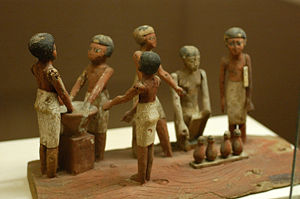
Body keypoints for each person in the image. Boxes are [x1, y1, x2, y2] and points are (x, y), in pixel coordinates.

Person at [124, 25, 184, 157]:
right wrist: (145, 90)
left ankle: (168, 152)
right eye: (151, 38)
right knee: (139, 122)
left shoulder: (152, 55)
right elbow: (143, 77)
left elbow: (163, 73)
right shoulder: (138, 55)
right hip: (142, 90)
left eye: (154, 37)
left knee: (161, 120)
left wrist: (175, 86)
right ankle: (138, 153)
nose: (155, 40)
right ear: (143, 40)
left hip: (151, 90)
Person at [103, 51, 161, 184]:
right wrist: (131, 111)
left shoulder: (140, 86)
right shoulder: (157, 80)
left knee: (142, 147)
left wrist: (110, 103)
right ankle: (147, 174)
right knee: (150, 146)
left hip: (144, 116)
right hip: (153, 112)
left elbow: (124, 98)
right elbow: (145, 101)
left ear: (142, 66)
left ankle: (141, 177)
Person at [28, 33, 74, 178]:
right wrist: (70, 108)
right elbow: (63, 92)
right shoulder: (52, 72)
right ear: (49, 52)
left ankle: (43, 168)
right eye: (54, 47)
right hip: (50, 106)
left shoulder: (35, 67)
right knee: (53, 142)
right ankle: (51, 174)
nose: (56, 50)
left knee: (44, 139)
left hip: (40, 101)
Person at [70, 34, 114, 161]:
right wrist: (69, 97)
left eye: (96, 50)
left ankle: (99, 156)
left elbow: (99, 87)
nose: (91, 53)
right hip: (88, 99)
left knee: (100, 128)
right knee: (88, 127)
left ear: (107, 53)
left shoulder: (108, 70)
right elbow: (79, 82)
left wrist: (88, 103)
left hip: (101, 100)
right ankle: (89, 154)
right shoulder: (88, 68)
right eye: (90, 49)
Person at [171, 46, 211, 151]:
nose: (196, 63)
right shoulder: (176, 76)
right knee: (185, 141)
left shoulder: (201, 73)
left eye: (198, 60)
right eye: (192, 61)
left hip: (196, 111)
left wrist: (207, 110)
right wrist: (180, 122)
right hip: (183, 113)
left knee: (197, 138)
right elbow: (176, 101)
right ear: (184, 59)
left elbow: (205, 96)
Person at [219, 27, 254, 143]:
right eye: (232, 43)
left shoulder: (246, 58)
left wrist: (249, 98)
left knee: (242, 118)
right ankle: (233, 141)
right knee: (232, 117)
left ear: (244, 43)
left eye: (238, 43)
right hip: (231, 90)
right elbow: (221, 80)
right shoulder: (225, 60)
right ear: (226, 44)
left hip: (242, 90)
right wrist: (223, 98)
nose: (235, 47)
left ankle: (242, 141)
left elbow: (249, 79)